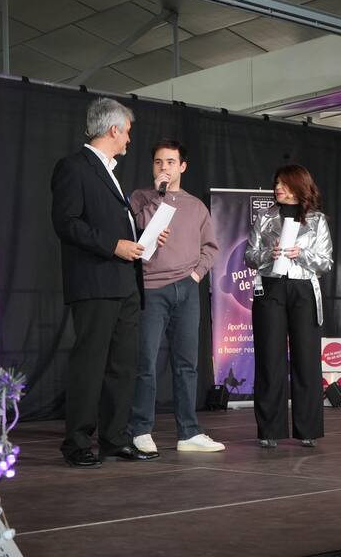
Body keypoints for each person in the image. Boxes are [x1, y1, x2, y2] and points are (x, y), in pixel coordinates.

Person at [51, 97, 159, 467]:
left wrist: (142, 238)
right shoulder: (73, 167)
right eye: (127, 132)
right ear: (114, 129)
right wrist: (114, 245)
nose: (129, 139)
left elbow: (110, 224)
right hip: (95, 282)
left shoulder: (109, 171)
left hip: (124, 282)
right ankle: (77, 443)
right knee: (91, 364)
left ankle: (114, 439)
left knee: (122, 366)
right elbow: (67, 222)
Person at [128, 140, 225, 454]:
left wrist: (195, 275)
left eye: (170, 162)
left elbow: (210, 247)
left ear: (182, 166)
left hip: (186, 289)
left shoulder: (196, 206)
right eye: (158, 162)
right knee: (146, 361)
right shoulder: (140, 198)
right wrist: (158, 198)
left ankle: (189, 432)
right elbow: (137, 233)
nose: (164, 167)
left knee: (187, 364)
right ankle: (141, 429)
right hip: (150, 288)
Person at [244, 164, 333, 448]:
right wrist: (267, 255)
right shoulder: (265, 217)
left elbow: (326, 262)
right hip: (270, 288)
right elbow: (249, 255)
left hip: (303, 290)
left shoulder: (317, 220)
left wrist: (301, 253)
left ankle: (308, 430)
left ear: (298, 185)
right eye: (276, 183)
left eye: (283, 183)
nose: (277, 188)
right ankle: (270, 430)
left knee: (307, 360)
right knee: (269, 359)